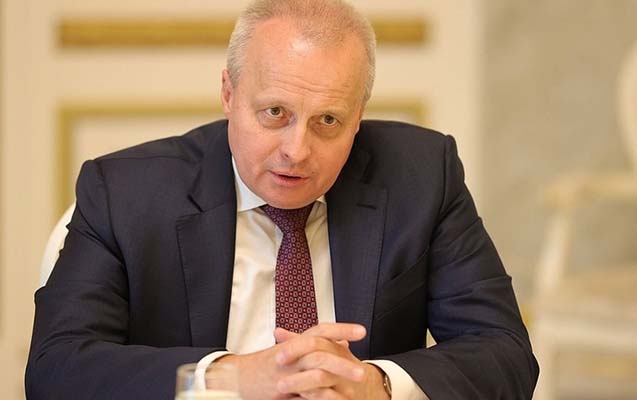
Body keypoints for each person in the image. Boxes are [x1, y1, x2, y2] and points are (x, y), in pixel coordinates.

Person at [25, 0, 539, 399]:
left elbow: (505, 353)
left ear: (359, 117)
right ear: (229, 94)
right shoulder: (124, 193)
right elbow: (57, 368)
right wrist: (231, 377)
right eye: (275, 113)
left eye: (328, 121)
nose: (297, 150)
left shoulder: (422, 175)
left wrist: (376, 384)